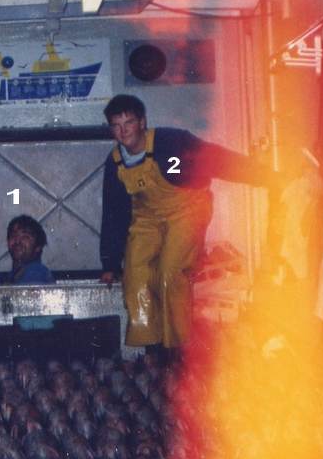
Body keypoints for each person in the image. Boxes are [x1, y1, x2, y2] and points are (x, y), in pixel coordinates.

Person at [99, 94, 268, 351]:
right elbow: (114, 212)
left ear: (142, 122)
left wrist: (265, 176)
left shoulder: (170, 143)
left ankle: (178, 348)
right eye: (116, 125)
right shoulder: (115, 163)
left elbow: (218, 160)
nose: (123, 131)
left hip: (187, 210)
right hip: (148, 218)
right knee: (136, 274)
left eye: (129, 123)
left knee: (170, 272)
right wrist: (110, 263)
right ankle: (151, 348)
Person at [0, 215, 56, 289]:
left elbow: (19, 297)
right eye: (13, 235)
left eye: (25, 237)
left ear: (38, 246)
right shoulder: (11, 276)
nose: (17, 241)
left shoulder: (38, 272)